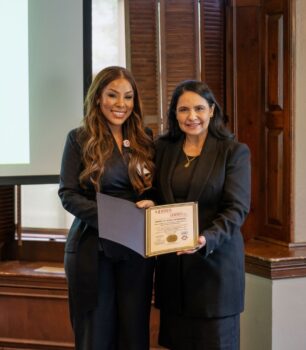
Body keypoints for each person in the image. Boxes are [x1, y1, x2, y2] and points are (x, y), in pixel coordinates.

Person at [58, 66, 155, 350]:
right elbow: (68, 194)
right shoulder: (78, 138)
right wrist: (115, 218)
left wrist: (154, 202)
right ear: (98, 97)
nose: (120, 104)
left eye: (128, 97)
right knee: (95, 337)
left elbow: (155, 190)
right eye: (112, 95)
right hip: (91, 250)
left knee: (134, 335)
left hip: (136, 250)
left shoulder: (145, 138)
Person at [154, 80, 251, 350]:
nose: (192, 116)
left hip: (215, 271)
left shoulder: (233, 151)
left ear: (211, 110)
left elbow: (237, 208)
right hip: (174, 274)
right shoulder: (162, 149)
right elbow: (153, 193)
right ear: (174, 113)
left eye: (199, 108)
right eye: (184, 110)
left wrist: (206, 239)